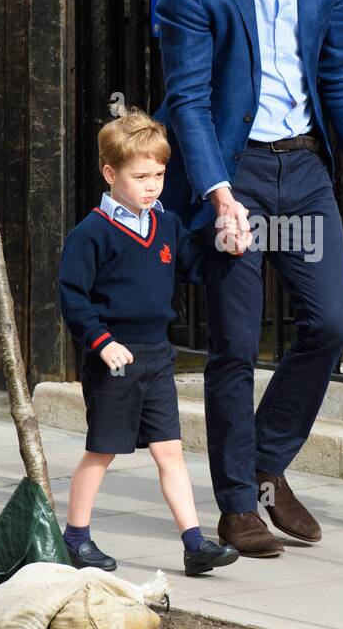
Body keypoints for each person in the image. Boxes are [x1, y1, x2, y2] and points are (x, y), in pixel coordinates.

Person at [152, 0, 343, 557]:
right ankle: (235, 506)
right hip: (238, 171)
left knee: (332, 320)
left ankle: (265, 464)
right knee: (234, 341)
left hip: (304, 163)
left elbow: (341, 70)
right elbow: (190, 103)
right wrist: (219, 195)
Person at [57, 111, 240, 577]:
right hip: (114, 359)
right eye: (140, 176)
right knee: (102, 450)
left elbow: (195, 267)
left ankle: (194, 543)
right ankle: (75, 539)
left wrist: (226, 244)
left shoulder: (168, 224)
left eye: (159, 175)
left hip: (158, 356)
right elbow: (72, 297)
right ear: (110, 174)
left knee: (169, 451)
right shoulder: (92, 233)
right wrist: (101, 342)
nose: (152, 185)